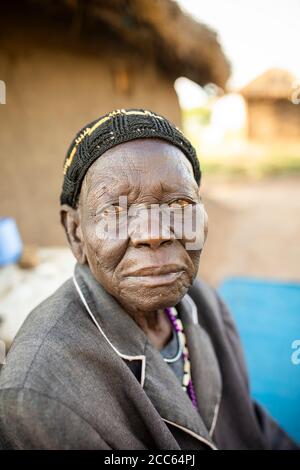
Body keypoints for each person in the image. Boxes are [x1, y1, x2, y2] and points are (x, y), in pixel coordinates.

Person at [0, 109, 298, 449]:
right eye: (116, 210)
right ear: (76, 233)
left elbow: (250, 426)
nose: (154, 233)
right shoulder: (38, 392)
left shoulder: (205, 303)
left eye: (180, 204)